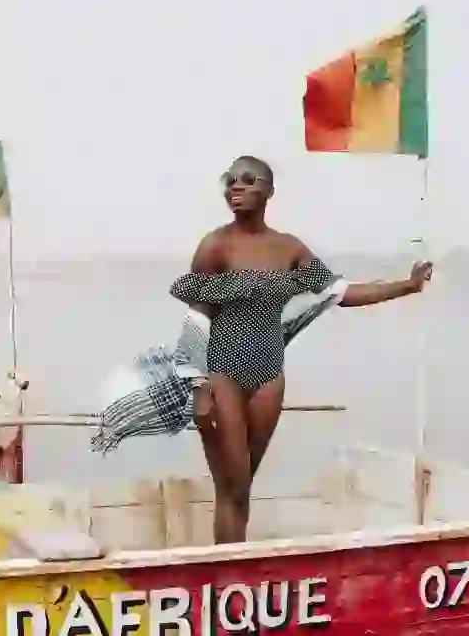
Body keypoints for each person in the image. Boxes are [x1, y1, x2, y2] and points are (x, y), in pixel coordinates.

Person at [169, 154, 434, 544]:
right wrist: (196, 386)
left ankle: (233, 568)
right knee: (233, 481)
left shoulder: (288, 249)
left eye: (248, 180)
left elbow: (339, 293)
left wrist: (406, 287)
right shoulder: (216, 246)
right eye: (230, 180)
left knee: (243, 487)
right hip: (220, 371)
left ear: (269, 191)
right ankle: (225, 574)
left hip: (268, 375)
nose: (236, 187)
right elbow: (198, 316)